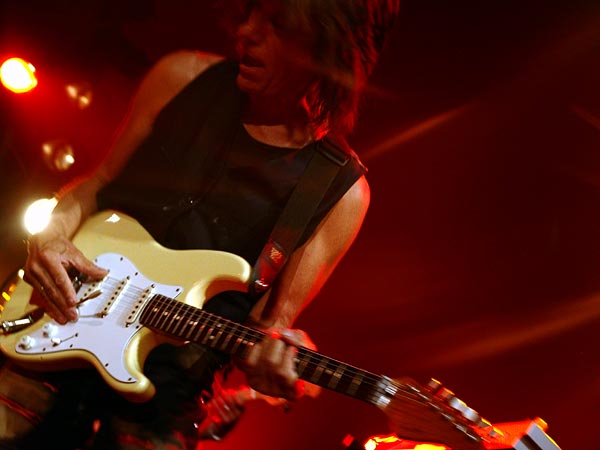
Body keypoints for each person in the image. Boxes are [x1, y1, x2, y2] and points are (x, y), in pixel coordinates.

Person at [0, 0, 401, 448]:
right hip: (50, 336)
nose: (246, 31)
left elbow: (270, 326)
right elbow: (97, 184)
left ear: (330, 50)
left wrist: (277, 356)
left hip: (157, 410)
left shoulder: (340, 191)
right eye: (251, 11)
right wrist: (49, 236)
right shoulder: (180, 77)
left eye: (279, 25)